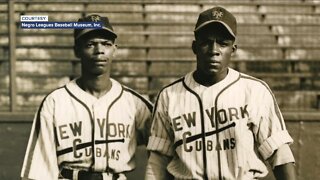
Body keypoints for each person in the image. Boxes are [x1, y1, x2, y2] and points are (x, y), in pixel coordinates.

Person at [145, 6, 296, 180]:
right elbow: (158, 161)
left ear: (233, 49)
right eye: (205, 42)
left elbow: (280, 154)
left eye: (223, 43)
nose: (213, 50)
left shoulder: (255, 91)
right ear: (194, 47)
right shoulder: (169, 95)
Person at [21, 14, 152, 180]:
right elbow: (38, 171)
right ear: (77, 51)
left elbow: (165, 150)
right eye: (90, 44)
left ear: (114, 50)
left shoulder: (135, 103)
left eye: (106, 44)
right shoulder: (55, 102)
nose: (99, 50)